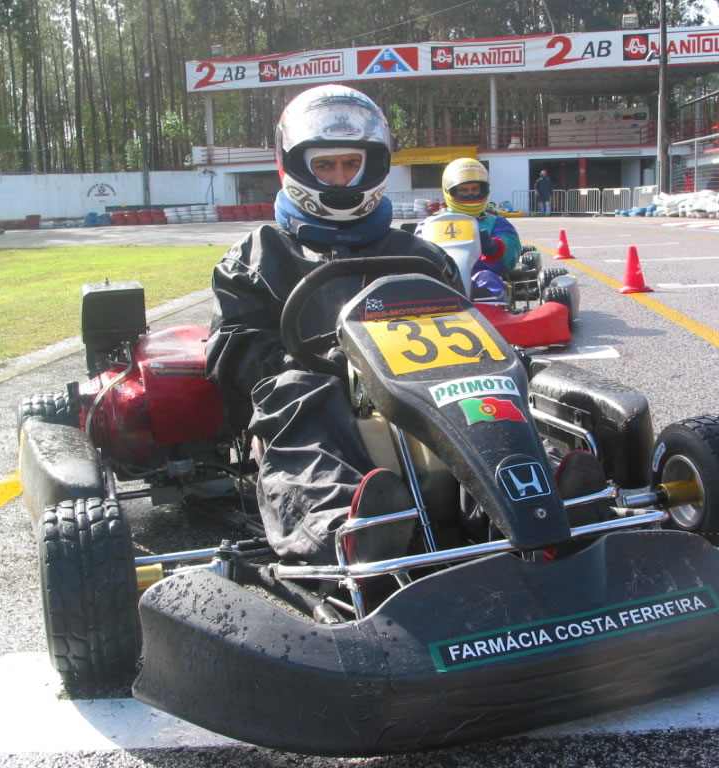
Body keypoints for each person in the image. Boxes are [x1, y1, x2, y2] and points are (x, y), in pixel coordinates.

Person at [204, 85, 462, 565]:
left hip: (421, 397)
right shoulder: (256, 257)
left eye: (351, 164)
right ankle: (345, 526)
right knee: (298, 391)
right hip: (320, 404)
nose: (341, 180)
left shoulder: (422, 257)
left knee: (495, 379)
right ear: (296, 167)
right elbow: (234, 357)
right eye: (325, 166)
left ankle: (543, 486)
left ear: (375, 165)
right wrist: (332, 360)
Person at [415, 157, 521, 301]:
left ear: (483, 189)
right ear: (450, 192)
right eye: (464, 190)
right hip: (442, 278)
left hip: (478, 278)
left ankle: (488, 318)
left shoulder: (496, 222)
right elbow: (416, 260)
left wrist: (494, 248)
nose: (471, 194)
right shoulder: (429, 224)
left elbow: (509, 261)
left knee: (488, 280)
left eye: (475, 189)